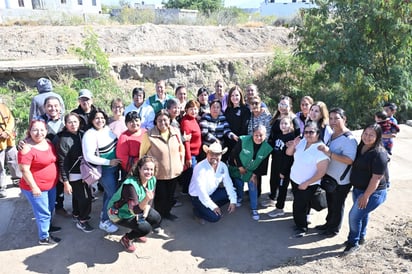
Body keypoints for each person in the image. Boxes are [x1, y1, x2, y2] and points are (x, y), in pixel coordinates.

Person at [343, 124, 388, 255]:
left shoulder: (379, 154)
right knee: (362, 214)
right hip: (358, 189)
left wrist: (366, 196)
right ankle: (361, 236)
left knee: (354, 216)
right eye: (365, 134)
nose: (367, 137)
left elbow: (376, 178)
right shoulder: (360, 147)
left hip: (374, 192)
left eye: (371, 135)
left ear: (377, 137)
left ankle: (353, 243)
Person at [18, 119, 61, 245]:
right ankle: (44, 237)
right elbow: (24, 170)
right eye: (35, 130)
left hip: (51, 185)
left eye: (42, 130)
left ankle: (47, 227)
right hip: (36, 187)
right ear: (29, 132)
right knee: (43, 212)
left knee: (50, 208)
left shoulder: (47, 143)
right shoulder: (26, 148)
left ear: (46, 131)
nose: (39, 133)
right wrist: (34, 187)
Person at [316, 108, 357, 237]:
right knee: (331, 202)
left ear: (344, 119)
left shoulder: (349, 139)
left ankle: (333, 229)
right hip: (330, 176)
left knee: (338, 204)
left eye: (336, 118)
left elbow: (349, 160)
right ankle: (328, 224)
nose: (333, 121)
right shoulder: (332, 134)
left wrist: (330, 153)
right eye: (331, 118)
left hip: (341, 180)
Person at [108, 156, 161, 253]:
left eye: (151, 169)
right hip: (118, 213)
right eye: (145, 169)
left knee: (156, 218)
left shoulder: (152, 179)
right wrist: (146, 200)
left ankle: (137, 233)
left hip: (137, 208)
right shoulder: (130, 185)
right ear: (139, 168)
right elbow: (135, 210)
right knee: (146, 229)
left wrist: (143, 215)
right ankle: (126, 239)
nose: (149, 172)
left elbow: (150, 201)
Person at [286, 121, 330, 237]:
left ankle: (302, 228)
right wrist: (294, 144)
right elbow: (288, 153)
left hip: (308, 184)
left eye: (311, 132)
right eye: (306, 132)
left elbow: (322, 171)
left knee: (299, 205)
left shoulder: (321, 149)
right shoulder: (302, 142)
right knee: (300, 203)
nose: (308, 134)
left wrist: (307, 182)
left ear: (318, 133)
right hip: (295, 179)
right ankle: (300, 222)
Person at [140, 110, 184, 221]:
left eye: (165, 120)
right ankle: (157, 220)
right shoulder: (149, 135)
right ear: (155, 121)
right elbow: (142, 154)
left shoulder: (175, 131)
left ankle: (167, 213)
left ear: (169, 120)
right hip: (158, 174)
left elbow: (181, 148)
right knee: (160, 198)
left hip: (173, 172)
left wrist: (181, 162)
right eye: (159, 120)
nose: (162, 123)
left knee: (170, 196)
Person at [82, 109, 121, 233]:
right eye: (97, 118)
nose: (100, 121)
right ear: (92, 120)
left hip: (114, 168)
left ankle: (105, 213)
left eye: (102, 118)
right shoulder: (90, 134)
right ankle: (104, 221)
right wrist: (108, 162)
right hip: (104, 171)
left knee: (109, 194)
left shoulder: (108, 129)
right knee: (113, 194)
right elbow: (89, 156)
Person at [56, 113, 94, 233]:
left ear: (79, 122)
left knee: (78, 197)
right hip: (74, 174)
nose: (73, 124)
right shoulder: (63, 140)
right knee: (86, 198)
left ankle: (76, 214)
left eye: (75, 122)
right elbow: (62, 162)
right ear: (66, 124)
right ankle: (82, 220)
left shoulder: (82, 134)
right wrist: (66, 182)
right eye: (70, 122)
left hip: (84, 171)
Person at [229, 125, 272, 221]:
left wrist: (254, 174)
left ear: (265, 136)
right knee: (239, 184)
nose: (258, 138)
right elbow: (235, 153)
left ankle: (254, 208)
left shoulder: (267, 148)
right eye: (256, 135)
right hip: (238, 167)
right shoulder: (243, 140)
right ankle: (239, 198)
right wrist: (240, 167)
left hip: (252, 171)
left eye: (261, 135)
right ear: (252, 134)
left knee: (253, 187)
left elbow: (263, 164)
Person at [189, 142, 237, 223]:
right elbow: (202, 192)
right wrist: (213, 206)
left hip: (211, 193)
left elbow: (228, 184)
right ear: (207, 154)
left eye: (217, 154)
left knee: (232, 194)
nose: (214, 157)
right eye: (212, 154)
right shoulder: (199, 168)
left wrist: (233, 201)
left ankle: (206, 207)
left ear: (221, 155)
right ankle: (197, 211)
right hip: (198, 197)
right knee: (215, 218)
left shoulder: (223, 166)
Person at [41, 96, 68, 217]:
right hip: (49, 160)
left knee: (62, 183)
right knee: (51, 185)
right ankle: (48, 211)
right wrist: (23, 141)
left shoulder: (66, 120)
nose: (53, 108)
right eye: (49, 106)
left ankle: (60, 207)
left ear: (60, 107)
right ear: (45, 108)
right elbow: (31, 135)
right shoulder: (41, 122)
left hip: (65, 159)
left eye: (56, 105)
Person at [266, 116, 296, 217]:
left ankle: (279, 208)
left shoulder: (291, 138)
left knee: (282, 187)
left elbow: (289, 158)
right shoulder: (278, 135)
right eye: (281, 123)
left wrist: (284, 171)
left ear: (290, 125)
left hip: (284, 167)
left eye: (286, 123)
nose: (283, 125)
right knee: (273, 182)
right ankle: (272, 199)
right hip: (275, 164)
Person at [116, 111, 146, 181]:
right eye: (131, 122)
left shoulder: (145, 132)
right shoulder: (124, 137)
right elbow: (122, 157)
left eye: (136, 120)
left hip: (146, 167)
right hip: (131, 170)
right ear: (126, 124)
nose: (134, 123)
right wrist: (140, 164)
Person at [180, 100, 202, 194]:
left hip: (197, 153)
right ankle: (188, 192)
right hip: (191, 154)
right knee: (190, 175)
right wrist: (188, 158)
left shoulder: (194, 119)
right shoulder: (186, 121)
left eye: (195, 109)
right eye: (191, 109)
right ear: (186, 110)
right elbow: (187, 141)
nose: (194, 111)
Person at [0, 102, 21, 198]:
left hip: (8, 138)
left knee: (13, 159)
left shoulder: (3, 106)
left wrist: (7, 132)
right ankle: (1, 187)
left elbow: (11, 119)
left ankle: (17, 179)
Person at [224, 85, 250, 153]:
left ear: (241, 96)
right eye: (232, 95)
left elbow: (245, 127)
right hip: (228, 140)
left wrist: (239, 139)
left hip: (240, 141)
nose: (234, 97)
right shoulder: (228, 109)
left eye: (236, 95)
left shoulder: (245, 109)